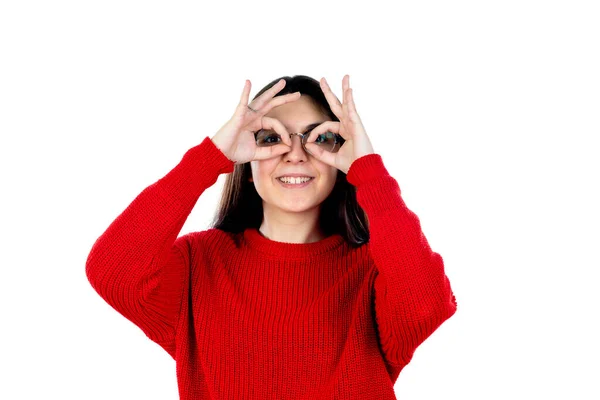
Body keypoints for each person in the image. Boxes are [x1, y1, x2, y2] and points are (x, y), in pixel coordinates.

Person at [85, 74, 458, 399]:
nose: (295, 154)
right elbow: (112, 271)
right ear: (246, 164)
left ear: (339, 163)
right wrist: (210, 156)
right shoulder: (199, 264)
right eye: (270, 138)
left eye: (320, 139)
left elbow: (426, 305)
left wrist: (368, 170)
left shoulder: (375, 271)